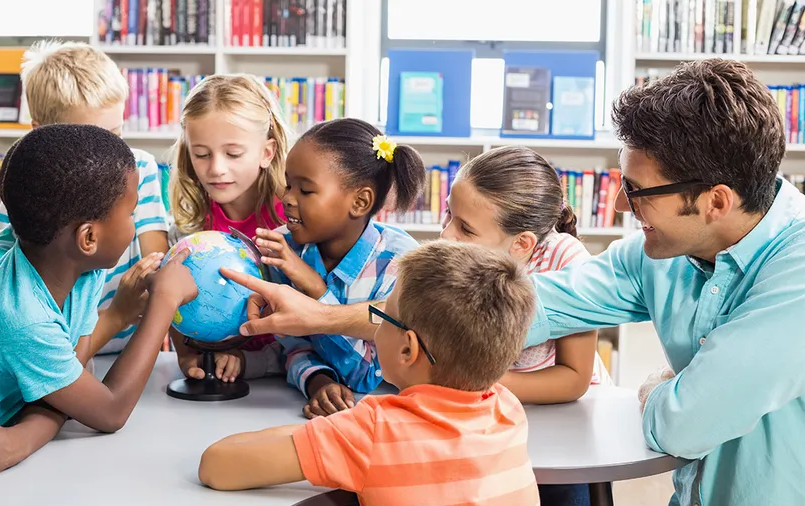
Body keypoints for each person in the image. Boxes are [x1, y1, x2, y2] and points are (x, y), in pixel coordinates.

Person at [221, 59, 805, 505]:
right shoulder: (654, 255)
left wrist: (655, 388)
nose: (624, 205)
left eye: (639, 191)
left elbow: (687, 420)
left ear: (715, 201)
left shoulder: (796, 275)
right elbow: (495, 309)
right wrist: (322, 316)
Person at [0, 125, 197, 481]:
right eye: (131, 212)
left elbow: (74, 376)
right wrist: (163, 303)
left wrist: (19, 440)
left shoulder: (78, 272)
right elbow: (109, 412)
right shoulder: (20, 318)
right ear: (88, 237)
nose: (136, 224)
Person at [200, 241, 540, 506]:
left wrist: (331, 432)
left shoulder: (373, 432)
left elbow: (217, 465)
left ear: (408, 350)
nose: (374, 324)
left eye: (382, 316)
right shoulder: (507, 409)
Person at [0, 40, 171, 357]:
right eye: (91, 142)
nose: (111, 155)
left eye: (116, 134)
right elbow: (18, 300)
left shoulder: (138, 167)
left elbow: (157, 264)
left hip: (124, 347)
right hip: (54, 349)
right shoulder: (29, 186)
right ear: (39, 135)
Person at [210, 118, 426, 416]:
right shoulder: (284, 249)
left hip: (384, 418)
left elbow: (369, 374)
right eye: (288, 184)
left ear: (360, 202)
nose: (286, 199)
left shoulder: (398, 263)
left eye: (306, 191)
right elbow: (294, 345)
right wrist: (318, 381)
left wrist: (315, 287)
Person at [441, 145, 611, 405]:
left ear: (521, 244)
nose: (446, 234)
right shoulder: (454, 255)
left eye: (465, 228)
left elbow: (574, 379)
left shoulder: (566, 262)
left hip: (566, 410)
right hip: (487, 400)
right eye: (448, 213)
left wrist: (475, 383)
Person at [167, 73, 290, 374]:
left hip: (286, 371)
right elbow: (174, 308)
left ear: (266, 152)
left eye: (233, 154)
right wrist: (185, 358)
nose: (216, 169)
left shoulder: (291, 221)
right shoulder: (191, 224)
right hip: (213, 370)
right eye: (201, 154)